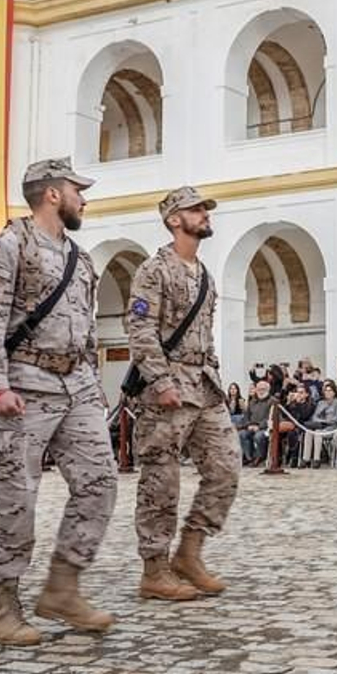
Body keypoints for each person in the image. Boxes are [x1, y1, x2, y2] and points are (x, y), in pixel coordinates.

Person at [0, 157, 117, 646]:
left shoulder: (81, 257)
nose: (84, 199)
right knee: (16, 496)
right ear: (53, 194)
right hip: (23, 386)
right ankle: (2, 605)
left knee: (99, 482)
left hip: (76, 387)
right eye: (78, 190)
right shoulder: (7, 246)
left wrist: (92, 383)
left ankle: (63, 587)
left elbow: (87, 327)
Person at [126, 186, 241, 602]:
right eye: (196, 210)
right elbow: (140, 331)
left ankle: (190, 552)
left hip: (203, 385)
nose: (204, 215)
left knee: (226, 467)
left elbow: (205, 334)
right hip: (168, 387)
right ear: (175, 219)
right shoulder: (153, 270)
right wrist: (160, 381)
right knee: (161, 479)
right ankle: (154, 568)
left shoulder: (204, 274)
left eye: (204, 209)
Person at [306, 382, 337, 466]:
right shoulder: (321, 403)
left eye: (330, 391)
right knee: (309, 432)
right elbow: (314, 417)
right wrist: (321, 421)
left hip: (332, 427)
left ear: (334, 392)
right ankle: (306, 458)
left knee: (317, 433)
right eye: (326, 391)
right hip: (320, 426)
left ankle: (317, 459)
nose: (328, 393)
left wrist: (324, 421)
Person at [240, 381, 275, 466]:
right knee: (242, 434)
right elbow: (246, 416)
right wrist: (248, 425)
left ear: (268, 390)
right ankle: (249, 458)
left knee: (259, 436)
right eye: (258, 389)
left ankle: (260, 457)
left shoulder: (273, 401)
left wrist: (259, 426)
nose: (260, 391)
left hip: (265, 428)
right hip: (251, 426)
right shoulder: (252, 401)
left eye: (263, 389)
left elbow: (272, 418)